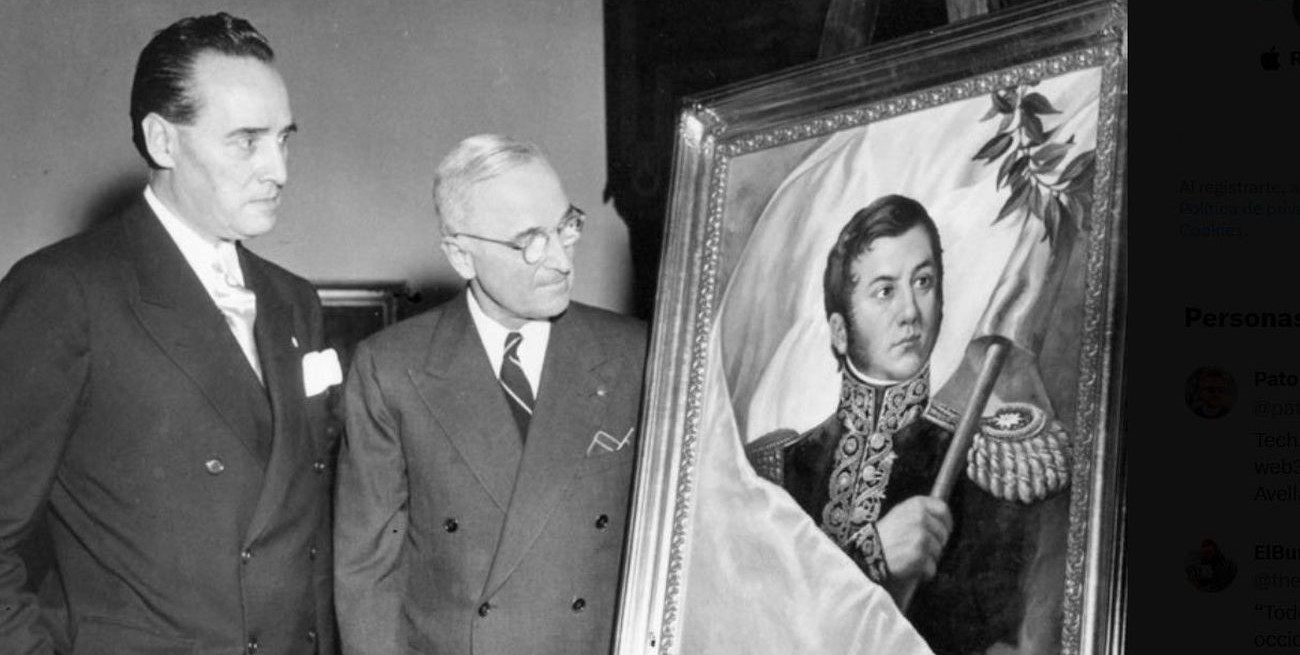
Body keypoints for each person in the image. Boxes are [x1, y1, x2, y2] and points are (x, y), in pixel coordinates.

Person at [0, 13, 340, 654]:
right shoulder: (65, 291)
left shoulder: (294, 302)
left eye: (283, 139)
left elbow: (305, 531)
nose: (278, 170)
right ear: (163, 140)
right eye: (246, 141)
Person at [334, 134, 648, 655]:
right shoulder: (390, 369)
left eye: (565, 227)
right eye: (530, 241)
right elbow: (368, 577)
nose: (561, 260)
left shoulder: (635, 353)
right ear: (462, 255)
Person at [745, 195, 1068, 654]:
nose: (911, 312)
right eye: (885, 291)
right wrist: (872, 556)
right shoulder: (773, 474)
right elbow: (748, 625)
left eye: (923, 282)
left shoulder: (979, 466)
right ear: (839, 330)